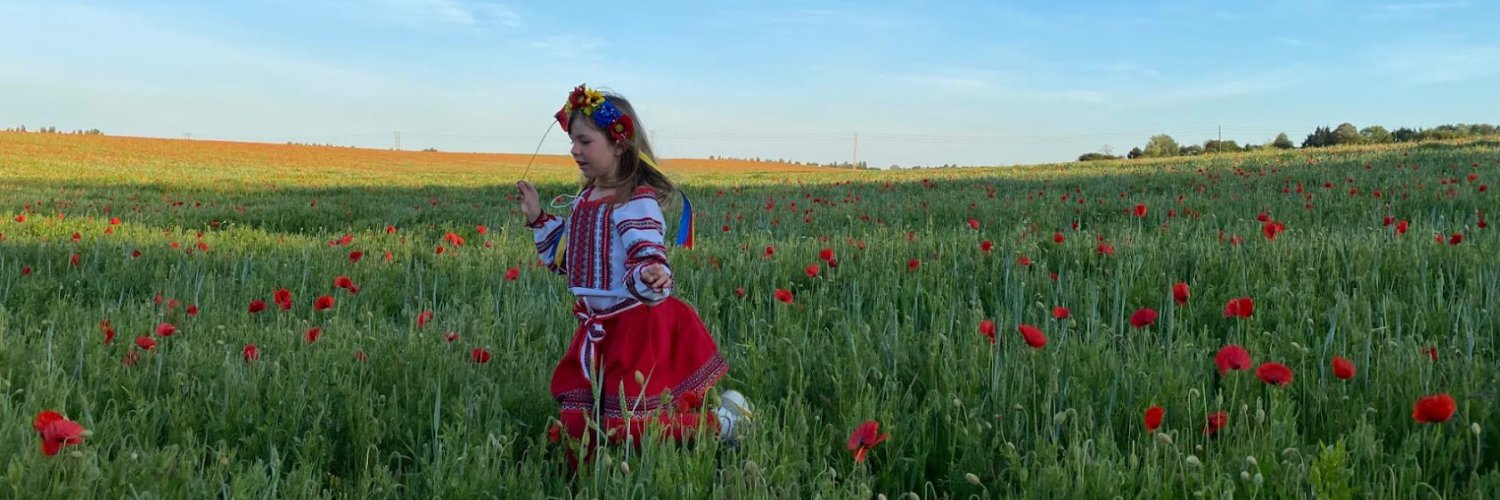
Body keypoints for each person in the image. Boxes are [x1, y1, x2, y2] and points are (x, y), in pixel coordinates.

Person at [516, 84, 750, 468]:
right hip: (597, 332)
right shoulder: (586, 198)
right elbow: (566, 262)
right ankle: (586, 480)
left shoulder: (635, 201)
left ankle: (724, 425)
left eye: (584, 141)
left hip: (636, 328)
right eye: (573, 140)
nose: (574, 149)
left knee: (630, 425)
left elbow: (646, 252)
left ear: (619, 144)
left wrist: (651, 274)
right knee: (577, 422)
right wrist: (538, 217)